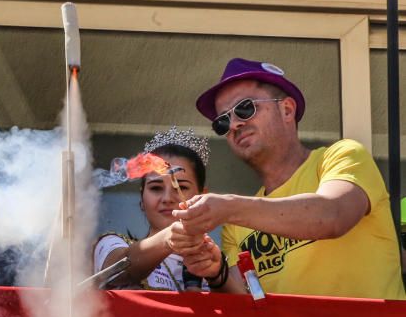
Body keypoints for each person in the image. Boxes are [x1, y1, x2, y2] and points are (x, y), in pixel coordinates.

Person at [170, 58, 405, 299]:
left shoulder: (342, 155)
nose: (235, 124)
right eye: (222, 122)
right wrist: (216, 272)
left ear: (287, 110)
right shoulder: (235, 225)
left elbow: (332, 216)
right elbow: (249, 302)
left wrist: (228, 207)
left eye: (245, 108)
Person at [93, 126, 222, 291]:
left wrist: (218, 275)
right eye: (155, 188)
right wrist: (168, 239)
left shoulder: (214, 264)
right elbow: (117, 271)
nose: (167, 198)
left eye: (181, 187)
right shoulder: (114, 245)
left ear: (202, 197)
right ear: (142, 199)